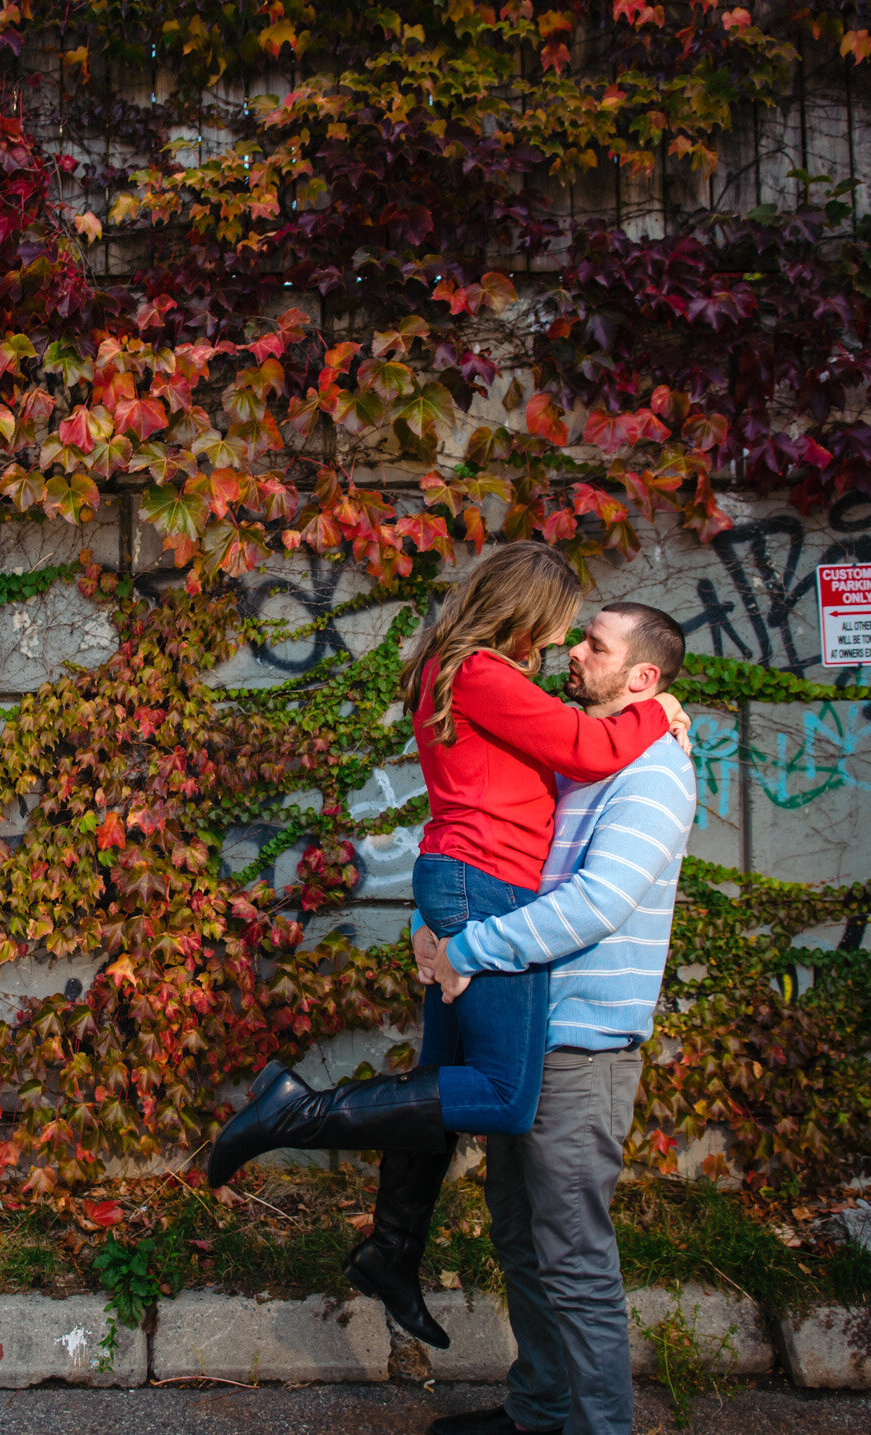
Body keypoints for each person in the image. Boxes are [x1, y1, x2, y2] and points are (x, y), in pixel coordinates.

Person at [204, 546, 689, 1353]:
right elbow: (585, 747)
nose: (558, 646)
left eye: (581, 639)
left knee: (440, 1082)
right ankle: (295, 1111)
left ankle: (391, 1250)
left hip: (470, 882)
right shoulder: (483, 673)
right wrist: (657, 711)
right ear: (523, 608)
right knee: (503, 1095)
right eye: (557, 626)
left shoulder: (468, 670)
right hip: (483, 882)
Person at [414, 601, 698, 1435]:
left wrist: (468, 951)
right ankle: (538, 1411)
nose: (572, 652)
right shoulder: (579, 761)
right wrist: (441, 928)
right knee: (521, 1241)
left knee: (573, 1260)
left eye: (595, 645)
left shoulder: (656, 773)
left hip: (583, 1042)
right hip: (525, 1029)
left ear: (642, 677)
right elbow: (507, 865)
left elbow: (596, 904)